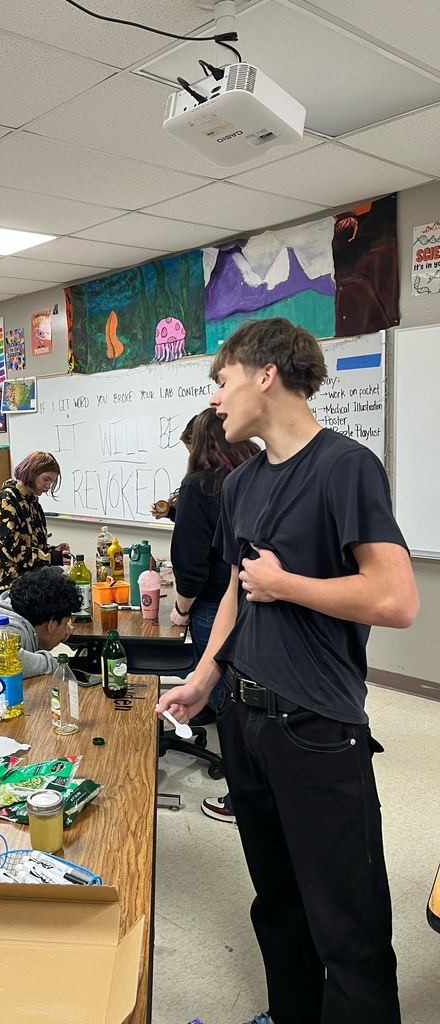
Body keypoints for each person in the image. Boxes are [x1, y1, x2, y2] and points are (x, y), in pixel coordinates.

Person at [157, 318, 418, 1024]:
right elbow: (242, 591)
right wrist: (207, 676)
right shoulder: (240, 486)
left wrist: (289, 585)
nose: (215, 398)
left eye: (222, 381)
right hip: (245, 719)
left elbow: (396, 598)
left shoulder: (345, 466)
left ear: (265, 373)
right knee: (278, 902)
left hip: (316, 726)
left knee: (348, 924)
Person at [167, 408, 259, 824]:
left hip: (213, 602)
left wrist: (180, 609)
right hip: (256, 599)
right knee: (242, 688)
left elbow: (191, 562)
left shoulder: (197, 484)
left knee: (224, 689)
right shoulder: (256, 474)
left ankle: (240, 795)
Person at [0, 566, 81, 677]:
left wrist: (61, 633)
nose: (68, 630)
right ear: (51, 625)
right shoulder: (11, 629)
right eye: (65, 624)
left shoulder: (12, 608)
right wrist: (52, 663)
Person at [0, 451, 71, 598]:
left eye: (51, 482)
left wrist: (53, 550)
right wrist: (51, 557)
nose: (47, 486)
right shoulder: (7, 500)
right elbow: (13, 550)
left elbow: (35, 544)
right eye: (46, 479)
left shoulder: (32, 501)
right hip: (10, 582)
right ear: (32, 472)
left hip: (31, 576)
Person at [148, 416, 197, 522]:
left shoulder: (195, 483)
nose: (192, 458)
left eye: (193, 453)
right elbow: (192, 519)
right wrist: (172, 512)